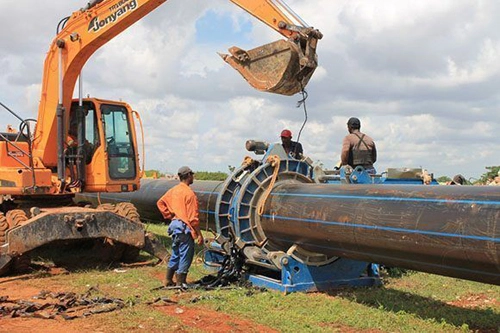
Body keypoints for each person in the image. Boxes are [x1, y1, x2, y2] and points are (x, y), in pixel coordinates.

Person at [157, 166, 204, 287]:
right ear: (188, 175)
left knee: (176, 253)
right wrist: (199, 234)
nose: (193, 177)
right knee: (186, 254)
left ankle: (168, 280)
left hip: (175, 226)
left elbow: (160, 202)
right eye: (192, 175)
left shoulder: (174, 190)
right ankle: (181, 282)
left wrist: (170, 215)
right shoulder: (189, 194)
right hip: (184, 228)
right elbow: (193, 219)